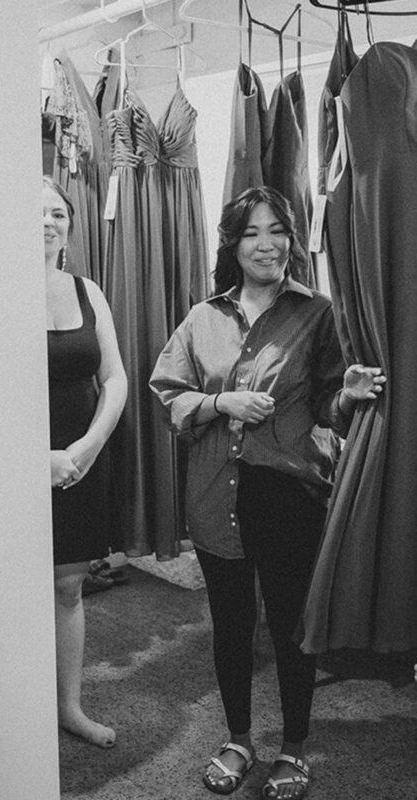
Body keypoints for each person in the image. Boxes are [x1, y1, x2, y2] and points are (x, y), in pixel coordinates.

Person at [150, 186, 385, 800]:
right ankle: (237, 739)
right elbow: (168, 392)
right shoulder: (203, 318)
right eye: (253, 232)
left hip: (288, 494)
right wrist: (218, 401)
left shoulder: (318, 312)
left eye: (278, 230)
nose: (267, 244)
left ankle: (294, 748)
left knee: (289, 628)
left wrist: (351, 393)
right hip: (214, 494)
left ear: (292, 239)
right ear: (233, 243)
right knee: (229, 625)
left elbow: (329, 409)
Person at [43, 176, 128, 748]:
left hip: (80, 460)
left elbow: (115, 377)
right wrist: (34, 459)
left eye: (57, 212)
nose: (48, 222)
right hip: (18, 464)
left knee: (69, 589)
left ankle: (69, 707)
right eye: (36, 212)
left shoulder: (86, 290)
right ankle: (18, 702)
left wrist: (88, 446)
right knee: (15, 590)